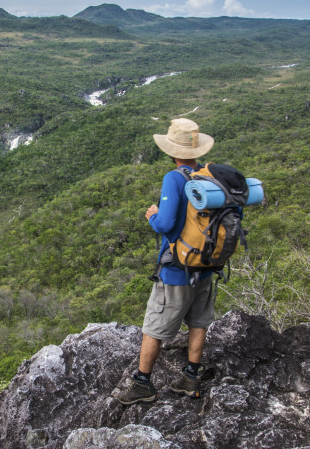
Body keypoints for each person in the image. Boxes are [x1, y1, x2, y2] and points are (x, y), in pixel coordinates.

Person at [115, 117, 217, 405]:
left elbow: (165, 223)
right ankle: (191, 378)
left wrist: (152, 216)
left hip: (177, 269)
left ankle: (142, 384)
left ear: (172, 152)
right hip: (207, 266)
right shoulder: (208, 176)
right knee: (198, 322)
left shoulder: (174, 178)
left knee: (153, 327)